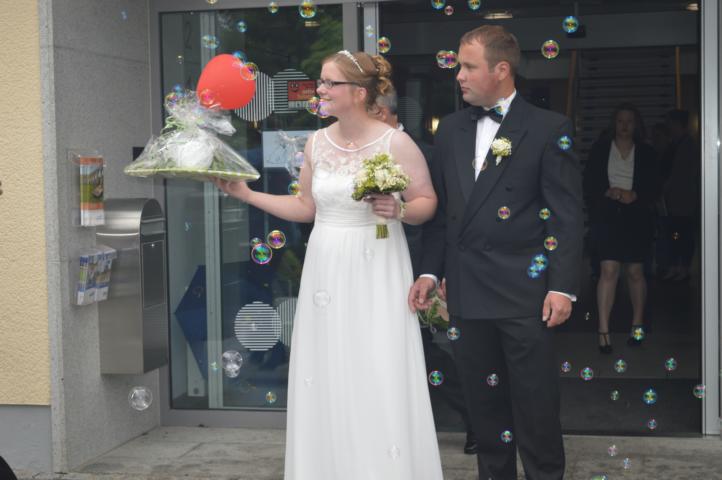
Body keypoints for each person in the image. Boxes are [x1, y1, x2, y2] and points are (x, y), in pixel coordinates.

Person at [214, 50, 443, 479]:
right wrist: (247, 195)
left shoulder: (394, 142)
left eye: (328, 82)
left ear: (359, 92)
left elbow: (427, 202)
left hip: (376, 263)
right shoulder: (317, 142)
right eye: (320, 81)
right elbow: (306, 207)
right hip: (326, 267)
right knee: (329, 369)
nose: (319, 89)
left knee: (375, 365)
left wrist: (399, 210)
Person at [409, 25, 583, 480]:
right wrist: (429, 274)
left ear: (501, 69)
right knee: (485, 412)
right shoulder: (450, 129)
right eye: (458, 66)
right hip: (467, 296)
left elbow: (566, 216)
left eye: (468, 67)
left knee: (535, 407)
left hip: (526, 295)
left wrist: (562, 287)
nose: (459, 76)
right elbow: (444, 215)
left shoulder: (548, 128)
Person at [373, 89, 478, 455]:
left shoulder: (424, 154)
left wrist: (433, 272)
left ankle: (475, 418)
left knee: (422, 350)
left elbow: (442, 221)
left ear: (382, 113)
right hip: (369, 264)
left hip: (412, 263)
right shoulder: (356, 152)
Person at [584, 103, 661, 353]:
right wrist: (607, 192)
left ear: (636, 124)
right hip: (608, 215)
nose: (625, 125)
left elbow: (655, 185)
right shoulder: (600, 149)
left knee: (636, 272)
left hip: (637, 216)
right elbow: (589, 181)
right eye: (620, 121)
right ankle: (603, 330)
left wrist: (636, 195)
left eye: (629, 121)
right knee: (608, 270)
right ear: (613, 124)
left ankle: (637, 325)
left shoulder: (647, 152)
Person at [661, 109, 699, 281]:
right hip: (675, 199)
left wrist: (666, 187)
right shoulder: (676, 144)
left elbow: (680, 173)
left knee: (682, 232)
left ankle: (683, 267)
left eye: (670, 123)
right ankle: (676, 265)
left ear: (677, 124)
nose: (669, 127)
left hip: (683, 198)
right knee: (675, 232)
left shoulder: (687, 145)